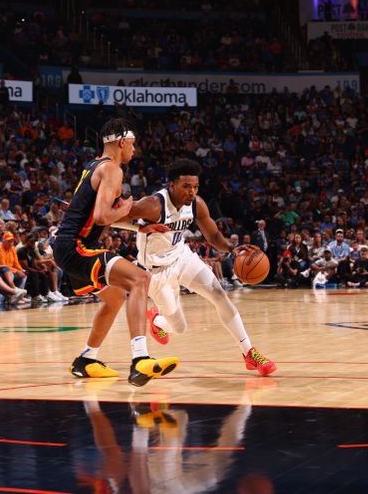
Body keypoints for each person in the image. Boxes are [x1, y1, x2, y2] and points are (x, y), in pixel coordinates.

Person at [117, 158, 275, 376]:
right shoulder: (153, 205)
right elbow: (109, 217)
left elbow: (213, 235)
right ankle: (157, 319)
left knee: (219, 294)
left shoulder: (196, 204)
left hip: (182, 257)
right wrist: (138, 227)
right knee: (179, 327)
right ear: (171, 185)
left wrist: (232, 248)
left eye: (195, 187)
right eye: (186, 186)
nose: (191, 192)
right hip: (156, 271)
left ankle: (249, 352)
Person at [52, 118, 178, 387]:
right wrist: (126, 207)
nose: (134, 150)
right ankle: (140, 359)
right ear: (122, 142)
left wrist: (137, 227)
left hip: (66, 247)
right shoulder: (113, 169)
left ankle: (87, 359)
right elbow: (101, 216)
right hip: (76, 247)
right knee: (140, 280)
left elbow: (101, 215)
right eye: (132, 144)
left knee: (116, 296)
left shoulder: (95, 166)